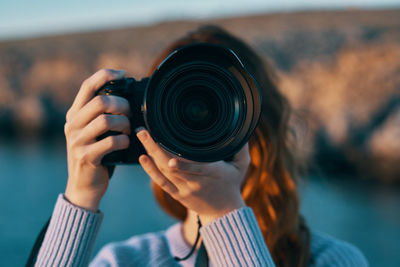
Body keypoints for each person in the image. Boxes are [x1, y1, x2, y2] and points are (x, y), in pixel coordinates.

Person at [34, 25, 368, 267]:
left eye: (216, 111)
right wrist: (80, 197)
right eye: (175, 110)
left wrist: (222, 214)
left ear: (257, 131)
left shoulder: (332, 261)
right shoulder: (123, 262)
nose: (194, 122)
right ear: (144, 121)